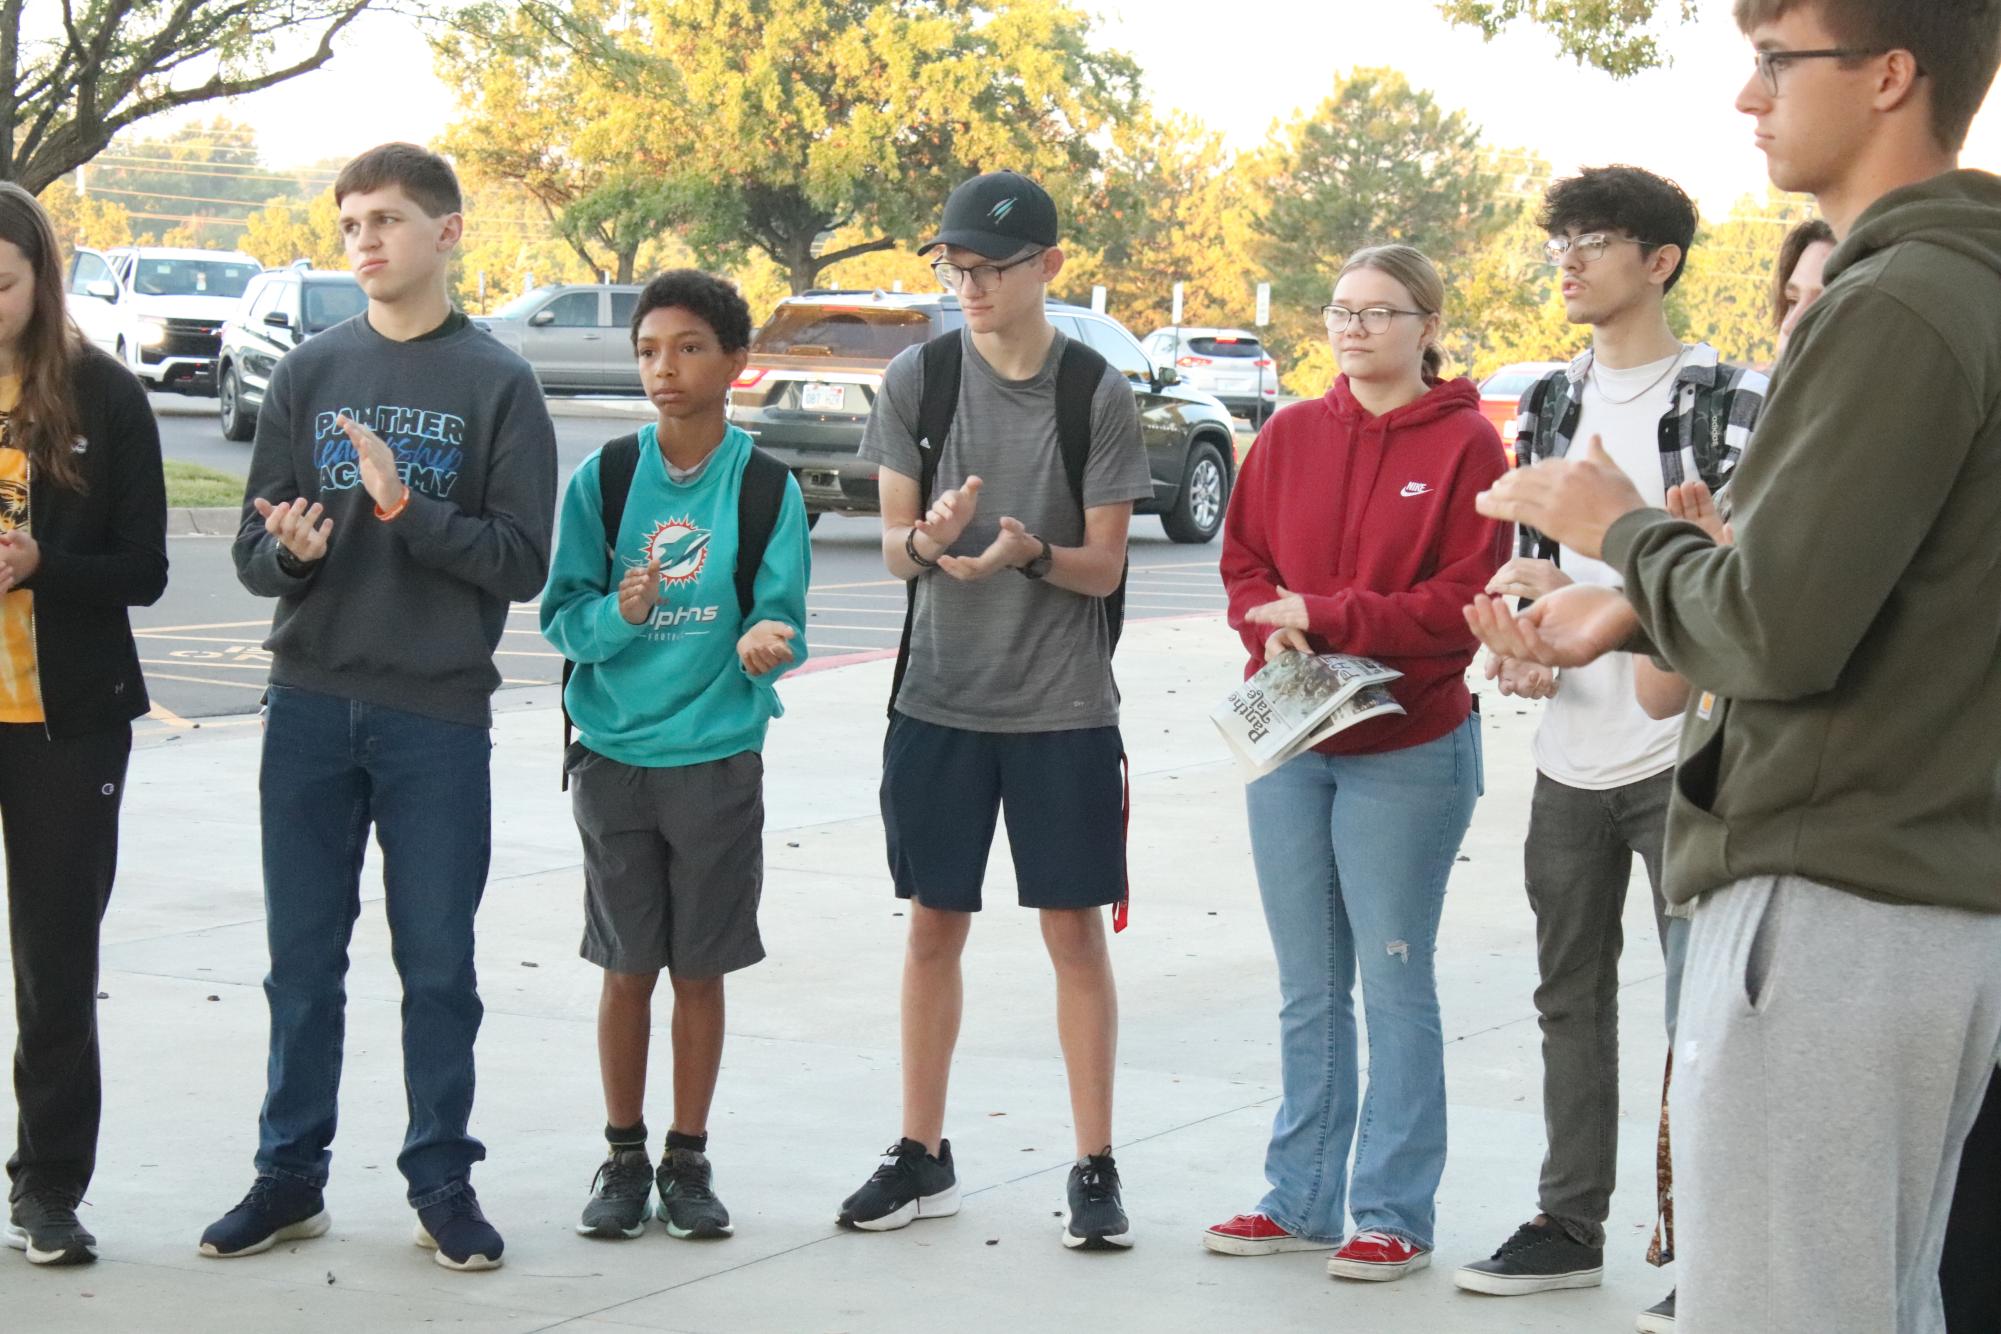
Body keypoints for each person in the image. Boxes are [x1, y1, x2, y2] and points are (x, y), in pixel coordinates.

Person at [1467, 2, 2001, 1328]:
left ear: (1889, 77)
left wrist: (1617, 531)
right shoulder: (1957, 286)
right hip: (1915, 892)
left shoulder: (1899, 302)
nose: (1745, 99)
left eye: (1775, 61)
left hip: (1834, 897)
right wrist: (1643, 608)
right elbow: (1878, 605)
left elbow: (1776, 629)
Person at [203, 143, 557, 1271]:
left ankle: (441, 1178)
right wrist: (294, 553)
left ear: (448, 233)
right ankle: (287, 1173)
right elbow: (258, 548)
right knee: (302, 961)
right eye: (351, 221)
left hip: (434, 717)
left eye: (388, 220)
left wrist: (409, 510)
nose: (365, 240)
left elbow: (522, 561)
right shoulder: (311, 370)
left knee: (437, 964)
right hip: (308, 702)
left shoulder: (497, 382)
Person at [1453, 169, 1766, 1334]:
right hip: (1570, 755)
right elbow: (1529, 567)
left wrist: (1587, 594)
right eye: (1561, 245)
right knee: (1566, 998)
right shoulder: (1544, 402)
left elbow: (1729, 581)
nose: (1568, 262)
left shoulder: (1734, 399)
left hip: (1683, 748)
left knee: (1706, 1016)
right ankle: (1566, 1222)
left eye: (1594, 242)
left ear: (1661, 260)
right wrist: (1518, 632)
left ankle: (1706, 1240)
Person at [835, 170, 1152, 1251]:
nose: (967, 284)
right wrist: (931, 541)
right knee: (933, 925)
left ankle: (1095, 1162)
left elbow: (1105, 568)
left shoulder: (1095, 392)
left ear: (1048, 268)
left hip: (1062, 708)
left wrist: (1027, 556)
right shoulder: (919, 381)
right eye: (954, 266)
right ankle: (922, 1152)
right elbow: (892, 546)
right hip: (938, 699)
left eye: (990, 267)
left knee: (1072, 931)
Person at [1205, 245, 1507, 1281]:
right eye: (1340, 311)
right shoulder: (1288, 433)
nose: (1354, 329)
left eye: (1379, 312)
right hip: (1294, 741)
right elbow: (1243, 558)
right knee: (1307, 982)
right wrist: (1268, 622)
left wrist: (1328, 612)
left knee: (1392, 977)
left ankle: (1393, 1210)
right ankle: (1297, 1197)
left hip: (1408, 745)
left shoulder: (1470, 445)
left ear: (1426, 324)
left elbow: (1460, 603)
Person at [541, 270, 809, 1242]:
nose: (666, 367)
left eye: (689, 346)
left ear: (736, 362)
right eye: (650, 349)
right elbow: (561, 618)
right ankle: (622, 1155)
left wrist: (765, 639)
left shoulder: (769, 487)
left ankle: (687, 1157)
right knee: (625, 968)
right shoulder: (605, 480)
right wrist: (622, 611)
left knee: (700, 969)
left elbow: (786, 613)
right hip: (613, 758)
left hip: (717, 760)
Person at [0, 183, 167, 1268]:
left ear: (40, 277)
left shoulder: (103, 397)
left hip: (63, 722)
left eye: (2, 284)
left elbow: (147, 569)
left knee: (55, 961)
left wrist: (41, 565)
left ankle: (49, 1187)